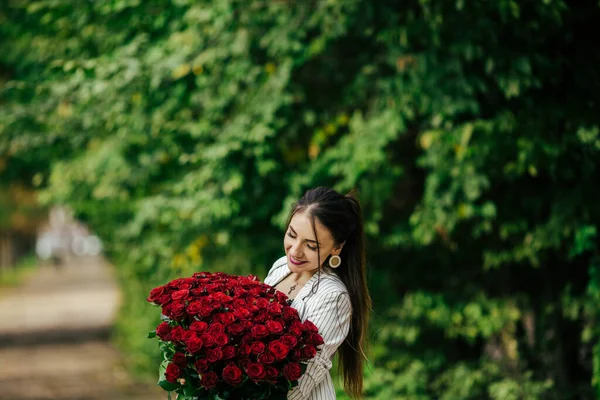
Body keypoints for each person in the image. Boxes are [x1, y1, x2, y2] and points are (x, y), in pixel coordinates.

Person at [264, 187, 371, 400]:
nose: (294, 251)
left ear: (336, 248)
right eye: (292, 235)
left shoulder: (333, 297)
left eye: (311, 246)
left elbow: (299, 384)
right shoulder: (280, 267)